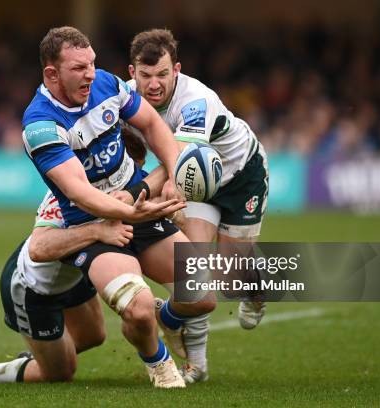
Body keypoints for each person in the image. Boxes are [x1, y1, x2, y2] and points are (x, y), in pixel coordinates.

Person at [20, 26, 215, 388]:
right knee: (139, 311)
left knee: (202, 295)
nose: (90, 74)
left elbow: (153, 125)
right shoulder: (40, 124)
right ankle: (158, 363)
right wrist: (128, 213)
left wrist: (173, 170)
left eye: (92, 63)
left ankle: (169, 320)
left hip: (135, 202)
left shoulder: (107, 84)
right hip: (94, 224)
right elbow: (79, 191)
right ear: (52, 73)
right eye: (79, 68)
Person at [122, 28, 270, 381]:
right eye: (145, 76)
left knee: (230, 278)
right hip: (198, 184)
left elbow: (177, 163)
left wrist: (143, 191)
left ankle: (256, 285)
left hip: (240, 176)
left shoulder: (195, 101)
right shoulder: (124, 98)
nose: (154, 84)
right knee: (195, 270)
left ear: (176, 69)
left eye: (162, 74)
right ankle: (198, 366)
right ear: (132, 73)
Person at [0, 194, 133, 383]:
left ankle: (42, 356)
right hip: (34, 287)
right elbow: (39, 248)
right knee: (60, 373)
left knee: (92, 336)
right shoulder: (68, 188)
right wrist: (98, 231)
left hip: (72, 273)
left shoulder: (116, 178)